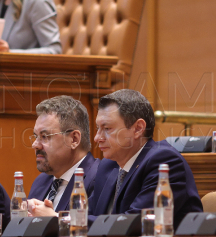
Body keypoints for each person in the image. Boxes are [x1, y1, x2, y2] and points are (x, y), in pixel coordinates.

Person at [90, 89, 202, 227]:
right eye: (97, 129)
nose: (97, 138)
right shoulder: (108, 166)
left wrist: (66, 221)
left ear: (138, 128)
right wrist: (58, 218)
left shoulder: (164, 162)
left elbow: (137, 222)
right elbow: (87, 214)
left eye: (107, 129)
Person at [26, 96, 103, 217]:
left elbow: (99, 229)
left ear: (74, 139)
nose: (35, 145)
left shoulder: (99, 178)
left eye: (45, 136)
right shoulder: (41, 181)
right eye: (36, 136)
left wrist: (54, 220)